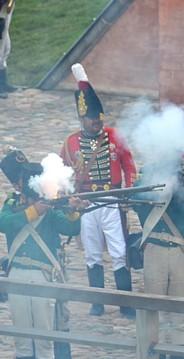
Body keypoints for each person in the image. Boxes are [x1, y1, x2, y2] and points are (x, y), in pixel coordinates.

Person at [0, 150, 86, 359]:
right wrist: (33, 211)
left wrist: (73, 211)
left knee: (44, 335)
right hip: (17, 276)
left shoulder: (50, 207)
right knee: (22, 334)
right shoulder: (14, 203)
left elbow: (71, 228)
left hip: (43, 275)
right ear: (17, 185)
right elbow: (4, 224)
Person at [60, 63, 138, 319]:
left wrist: (128, 190)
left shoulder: (114, 136)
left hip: (112, 201)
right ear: (82, 119)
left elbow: (129, 165)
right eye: (93, 121)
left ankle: (125, 304)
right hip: (86, 205)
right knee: (92, 254)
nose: (97, 125)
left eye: (99, 120)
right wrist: (69, 198)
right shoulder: (71, 142)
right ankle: (97, 303)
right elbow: (63, 173)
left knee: (119, 252)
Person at [131, 165, 184, 359]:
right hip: (155, 251)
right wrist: (157, 181)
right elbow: (134, 199)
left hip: (181, 251)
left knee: (180, 316)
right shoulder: (147, 179)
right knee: (156, 315)